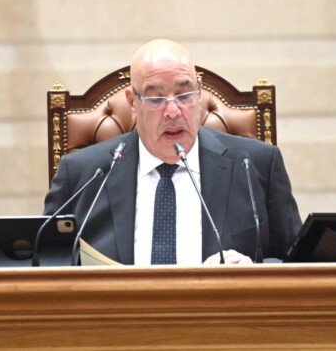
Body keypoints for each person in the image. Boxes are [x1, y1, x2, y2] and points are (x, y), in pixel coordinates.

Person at [43, 39, 301, 265]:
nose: (173, 111)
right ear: (133, 103)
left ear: (199, 93)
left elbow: (298, 261)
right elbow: (45, 263)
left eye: (184, 95)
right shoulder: (82, 175)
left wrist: (253, 270)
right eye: (156, 99)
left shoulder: (255, 165)